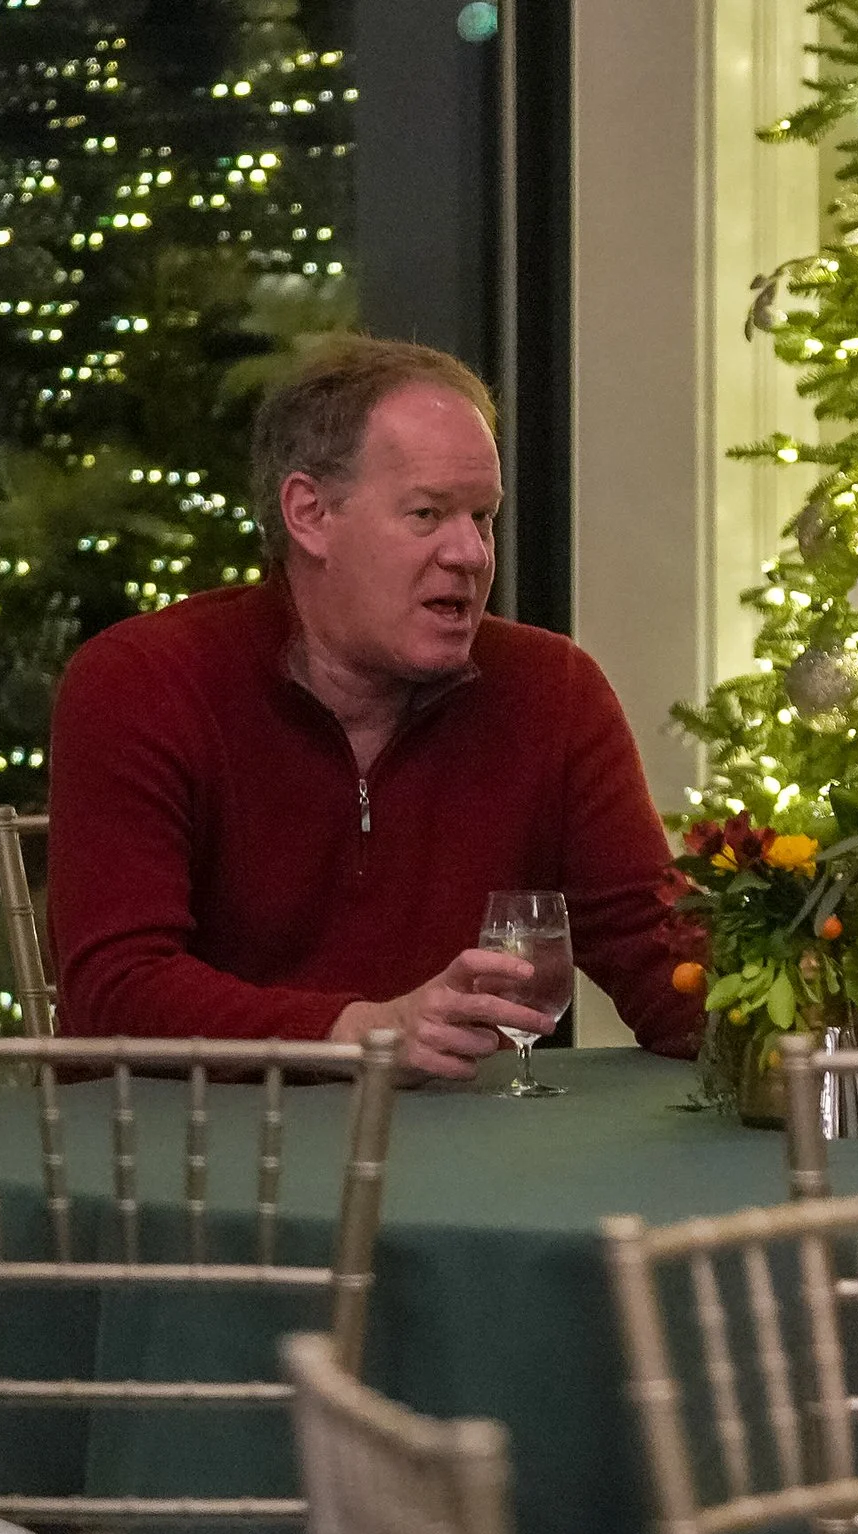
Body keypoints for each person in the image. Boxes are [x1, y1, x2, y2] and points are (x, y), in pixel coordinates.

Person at [47, 336, 702, 1077]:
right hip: (180, 1162)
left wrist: (821, 976)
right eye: (428, 514)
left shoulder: (552, 692)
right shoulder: (144, 680)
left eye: (483, 517)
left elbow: (664, 963)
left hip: (446, 1166)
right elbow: (117, 990)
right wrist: (358, 1031)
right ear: (310, 513)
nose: (471, 553)